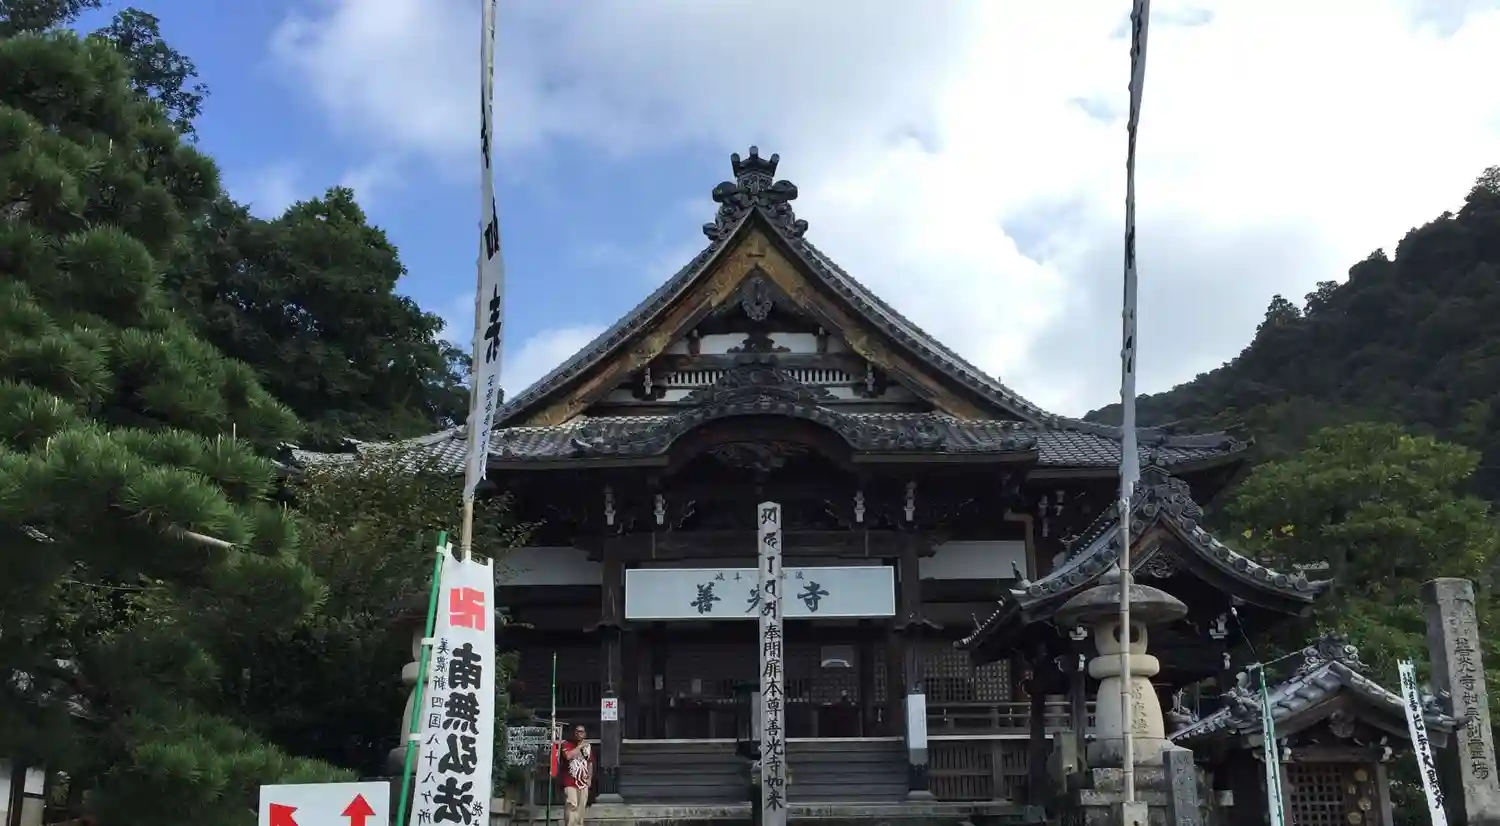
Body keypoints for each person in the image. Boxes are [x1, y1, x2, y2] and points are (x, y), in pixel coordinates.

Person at [561, 723, 593, 826]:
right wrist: (580, 747)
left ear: (585, 734)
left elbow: (590, 763)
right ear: (574, 733)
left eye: (581, 732)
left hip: (583, 782)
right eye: (577, 731)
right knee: (572, 805)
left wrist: (589, 778)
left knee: (581, 807)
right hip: (570, 781)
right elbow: (568, 756)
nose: (579, 734)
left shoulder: (588, 747)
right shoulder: (566, 744)